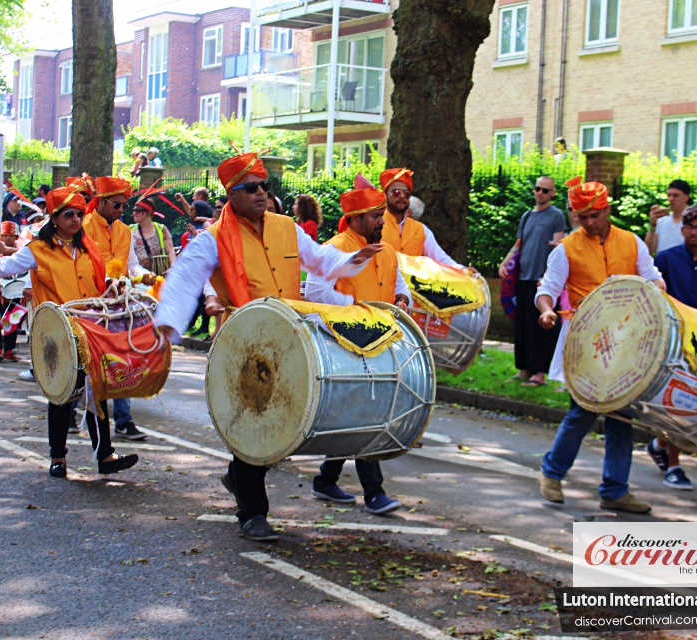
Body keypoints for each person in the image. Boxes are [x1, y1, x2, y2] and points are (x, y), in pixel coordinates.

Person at [152, 151, 382, 542]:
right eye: (251, 188)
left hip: (290, 339)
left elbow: (319, 257)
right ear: (231, 194)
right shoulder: (212, 239)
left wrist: (350, 260)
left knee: (282, 426)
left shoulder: (286, 227)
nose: (260, 194)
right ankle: (252, 513)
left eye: (264, 186)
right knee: (254, 421)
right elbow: (183, 278)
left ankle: (236, 476)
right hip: (245, 342)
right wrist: (168, 324)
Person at [0, 186, 139, 479]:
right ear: (54, 218)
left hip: (91, 329)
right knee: (62, 393)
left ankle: (105, 455)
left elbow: (97, 279)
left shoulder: (88, 247)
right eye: (69, 214)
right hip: (58, 333)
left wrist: (112, 285)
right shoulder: (37, 250)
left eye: (80, 214)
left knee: (98, 389)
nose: (76, 220)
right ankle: (58, 457)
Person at [535, 177, 666, 513]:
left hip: (627, 342)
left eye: (594, 215)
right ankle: (552, 473)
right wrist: (548, 310)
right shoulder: (567, 247)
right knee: (582, 412)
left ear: (607, 210)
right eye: (582, 217)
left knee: (623, 416)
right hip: (585, 344)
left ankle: (615, 489)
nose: (589, 223)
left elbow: (652, 277)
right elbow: (547, 287)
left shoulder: (632, 242)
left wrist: (658, 288)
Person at [304, 188, 410, 514]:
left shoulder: (387, 250)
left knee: (356, 413)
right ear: (355, 219)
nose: (382, 221)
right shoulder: (332, 250)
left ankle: (325, 479)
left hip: (379, 343)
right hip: (344, 344)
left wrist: (402, 301)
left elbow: (399, 286)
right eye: (376, 216)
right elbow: (316, 292)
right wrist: (357, 307)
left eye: (382, 215)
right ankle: (374, 492)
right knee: (367, 412)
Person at [647, 204, 697, 491]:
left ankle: (660, 443)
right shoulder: (666, 259)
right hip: (673, 336)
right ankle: (674, 464)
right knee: (674, 397)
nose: (694, 232)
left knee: (694, 397)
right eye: (690, 227)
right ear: (682, 230)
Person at [82, 176, 157, 441]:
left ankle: (123, 420)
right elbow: (82, 266)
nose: (121, 211)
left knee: (124, 355)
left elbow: (131, 265)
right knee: (87, 360)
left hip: (119, 304)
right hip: (88, 305)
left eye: (124, 206)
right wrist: (108, 281)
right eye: (117, 205)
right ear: (101, 202)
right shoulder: (83, 227)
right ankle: (70, 407)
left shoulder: (125, 231)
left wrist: (143, 276)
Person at [498, 176, 567, 387]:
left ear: (553, 193)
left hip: (541, 282)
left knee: (541, 328)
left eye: (545, 190)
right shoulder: (527, 216)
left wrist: (547, 276)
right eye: (538, 189)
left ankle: (540, 373)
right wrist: (504, 263)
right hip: (523, 277)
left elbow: (559, 247)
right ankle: (525, 368)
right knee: (523, 326)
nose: (540, 193)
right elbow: (518, 244)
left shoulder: (556, 216)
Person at [378, 167, 463, 268]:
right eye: (396, 192)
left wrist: (463, 270)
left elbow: (440, 257)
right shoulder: (374, 224)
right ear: (385, 195)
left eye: (406, 193)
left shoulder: (420, 229)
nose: (401, 196)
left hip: (410, 283)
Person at [0, 221, 23, 362]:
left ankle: (9, 349)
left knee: (12, 321)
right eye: (5, 235)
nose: (8, 238)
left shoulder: (21, 253)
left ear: (16, 237)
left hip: (15, 293)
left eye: (11, 235)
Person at [645, 179, 691, 255]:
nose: (671, 199)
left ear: (686, 197)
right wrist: (653, 225)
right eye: (669, 195)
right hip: (662, 266)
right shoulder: (661, 221)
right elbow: (648, 252)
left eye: (676, 195)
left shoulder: (692, 222)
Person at [130, 198, 175, 276]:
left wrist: (173, 267)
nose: (134, 213)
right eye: (133, 210)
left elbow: (170, 251)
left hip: (159, 276)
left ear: (148, 212)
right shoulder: (129, 229)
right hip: (138, 277)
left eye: (137, 210)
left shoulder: (161, 229)